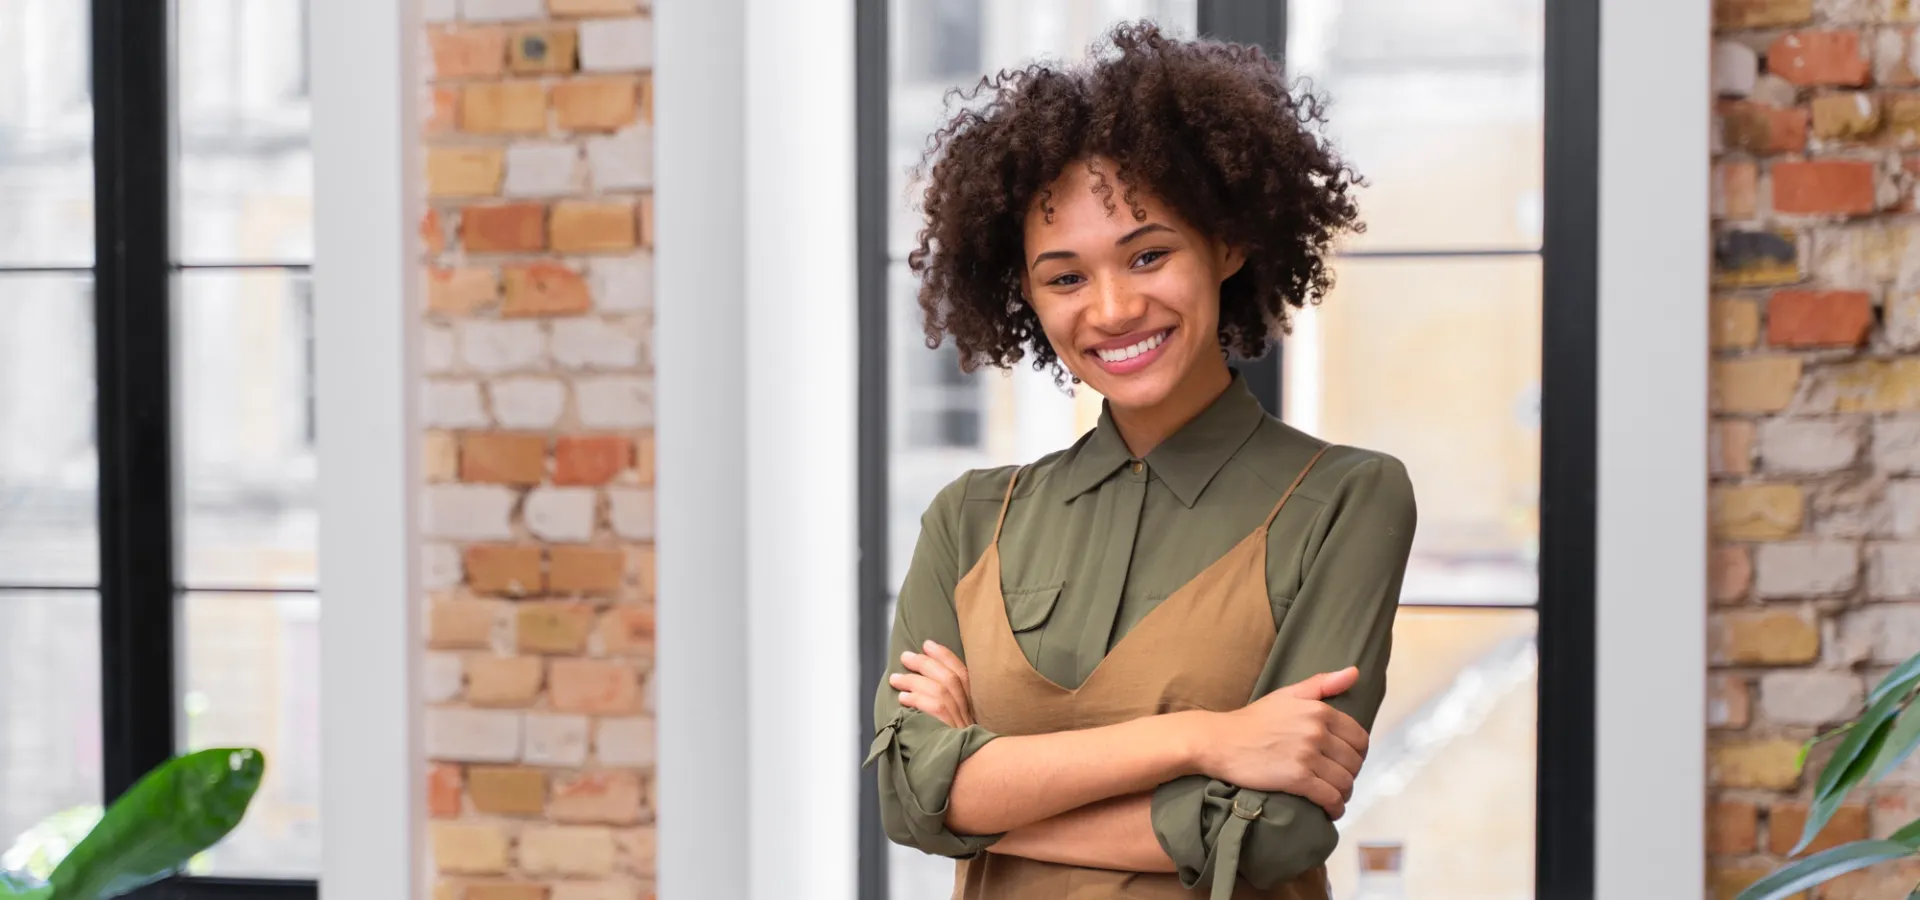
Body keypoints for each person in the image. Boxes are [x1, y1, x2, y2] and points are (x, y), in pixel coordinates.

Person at [865, 20, 1417, 900]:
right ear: (1027, 297)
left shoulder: (1349, 498)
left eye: (1148, 254)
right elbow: (904, 799)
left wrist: (979, 793)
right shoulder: (969, 519)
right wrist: (1204, 741)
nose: (1113, 309)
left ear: (1227, 245)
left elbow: (1274, 832)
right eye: (1066, 277)